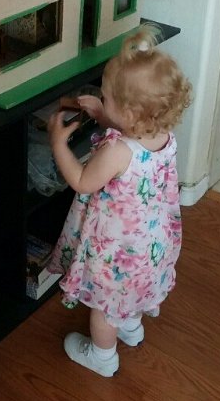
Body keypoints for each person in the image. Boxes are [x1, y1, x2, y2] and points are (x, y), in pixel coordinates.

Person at [47, 24, 192, 377]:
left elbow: (82, 182)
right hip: (151, 244)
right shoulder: (162, 134)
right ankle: (131, 327)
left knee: (105, 307)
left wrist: (58, 144)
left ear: (128, 114)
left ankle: (103, 357)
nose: (102, 99)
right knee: (131, 292)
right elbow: (129, 128)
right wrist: (102, 113)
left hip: (117, 250)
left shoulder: (117, 151)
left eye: (106, 97)